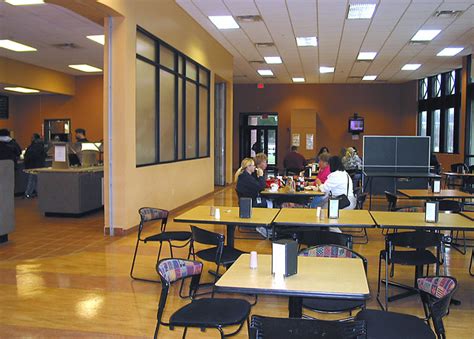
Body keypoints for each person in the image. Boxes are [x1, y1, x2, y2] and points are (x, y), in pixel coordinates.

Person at [24, 133, 47, 198]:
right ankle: (38, 192)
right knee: (36, 179)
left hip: (33, 165)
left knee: (31, 180)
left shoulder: (33, 146)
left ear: (34, 138)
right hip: (39, 164)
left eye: (32, 137)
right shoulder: (41, 146)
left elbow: (30, 155)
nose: (31, 138)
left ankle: (28, 193)